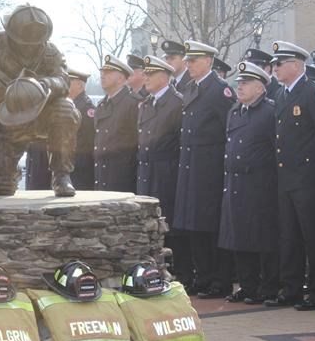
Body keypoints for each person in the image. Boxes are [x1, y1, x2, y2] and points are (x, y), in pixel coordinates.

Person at [0, 5, 78, 197]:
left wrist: (45, 84)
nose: (29, 48)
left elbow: (63, 81)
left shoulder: (51, 52)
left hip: (41, 116)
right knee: (2, 190)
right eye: (23, 43)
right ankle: (1, 174)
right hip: (4, 120)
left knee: (65, 109)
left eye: (34, 44)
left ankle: (62, 175)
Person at [267, 41, 315, 311]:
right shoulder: (280, 95)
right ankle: (291, 288)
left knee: (311, 237)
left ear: (296, 64)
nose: (275, 68)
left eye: (280, 63)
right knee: (289, 236)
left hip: (308, 178)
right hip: (286, 177)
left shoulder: (313, 94)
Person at [172, 41, 237, 298]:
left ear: (209, 61)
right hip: (191, 165)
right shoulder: (190, 88)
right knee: (194, 225)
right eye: (187, 61)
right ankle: (204, 275)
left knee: (211, 226)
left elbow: (228, 130)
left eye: (194, 60)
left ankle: (220, 280)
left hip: (210, 167)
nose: (189, 65)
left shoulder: (220, 90)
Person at [218, 62, 279, 304]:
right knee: (239, 237)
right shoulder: (234, 111)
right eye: (239, 83)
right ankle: (248, 285)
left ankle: (269, 285)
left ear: (261, 88)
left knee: (262, 237)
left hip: (260, 183)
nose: (239, 87)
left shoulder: (270, 111)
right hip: (235, 182)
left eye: (245, 83)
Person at [135, 55, 189, 286]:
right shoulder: (146, 104)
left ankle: (181, 272)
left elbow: (179, 142)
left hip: (167, 172)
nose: (145, 78)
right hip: (147, 171)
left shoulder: (177, 103)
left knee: (170, 226)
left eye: (151, 74)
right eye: (145, 73)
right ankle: (152, 270)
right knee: (148, 224)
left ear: (165, 76)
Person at [94, 55, 140, 192]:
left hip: (123, 180)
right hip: (102, 177)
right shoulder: (102, 105)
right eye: (102, 72)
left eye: (107, 73)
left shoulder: (133, 103)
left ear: (121, 78)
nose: (102, 76)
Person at [67, 67, 97, 191]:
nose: (65, 84)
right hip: (71, 165)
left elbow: (89, 140)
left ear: (80, 84)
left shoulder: (86, 107)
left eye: (69, 81)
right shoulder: (71, 104)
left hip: (81, 168)